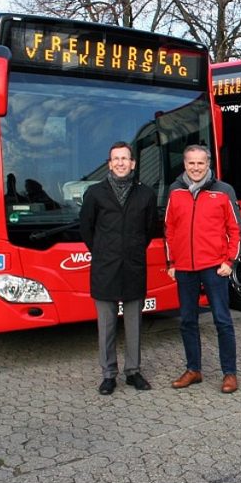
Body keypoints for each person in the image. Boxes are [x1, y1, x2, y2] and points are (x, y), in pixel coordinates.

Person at [79, 142, 158, 395]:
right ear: (110, 163)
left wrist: (131, 250)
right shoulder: (95, 193)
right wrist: (104, 251)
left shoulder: (146, 194)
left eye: (125, 158)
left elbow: (149, 230)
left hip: (134, 267)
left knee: (134, 324)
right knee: (107, 325)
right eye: (116, 159)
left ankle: (133, 372)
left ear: (133, 163)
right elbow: (86, 230)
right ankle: (108, 375)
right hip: (105, 268)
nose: (121, 163)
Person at [164, 144, 241, 393]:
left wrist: (229, 262)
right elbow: (169, 229)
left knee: (222, 320)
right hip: (185, 267)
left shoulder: (223, 191)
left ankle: (229, 374)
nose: (196, 167)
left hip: (214, 267)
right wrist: (171, 262)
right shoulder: (175, 191)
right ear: (184, 164)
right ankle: (193, 370)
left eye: (200, 163)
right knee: (187, 321)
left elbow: (236, 230)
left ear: (208, 164)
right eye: (191, 163)